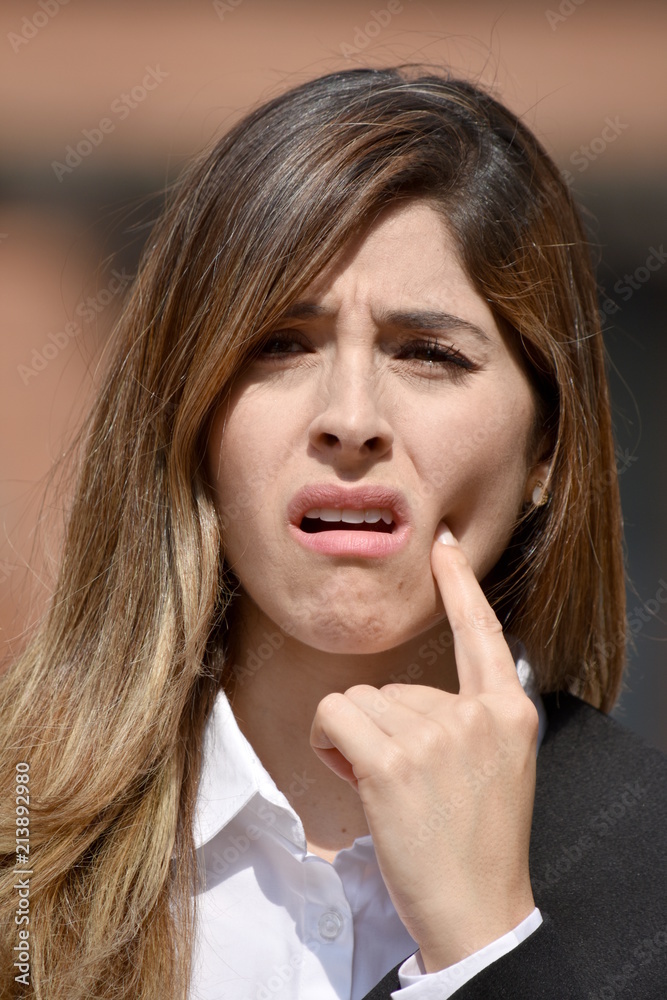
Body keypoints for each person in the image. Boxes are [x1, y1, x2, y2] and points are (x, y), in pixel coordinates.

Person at [0, 65, 665, 1000]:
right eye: (278, 343)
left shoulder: (649, 866)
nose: (350, 417)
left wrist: (487, 949)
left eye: (427, 353)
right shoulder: (15, 834)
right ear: (188, 411)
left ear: (547, 447)